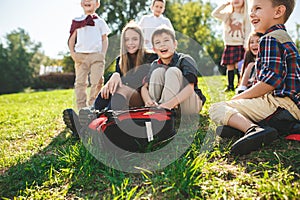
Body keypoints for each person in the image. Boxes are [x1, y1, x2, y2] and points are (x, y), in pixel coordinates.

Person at [209, 0, 300, 156]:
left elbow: (269, 83)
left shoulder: (269, 38)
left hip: (280, 106)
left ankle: (253, 129)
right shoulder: (284, 37)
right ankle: (242, 127)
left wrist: (238, 97)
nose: (251, 13)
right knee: (236, 111)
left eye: (257, 8)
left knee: (217, 108)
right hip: (290, 106)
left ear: (278, 12)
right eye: (251, 9)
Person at [63, 21, 157, 136]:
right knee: (109, 87)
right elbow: (115, 81)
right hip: (124, 97)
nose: (130, 43)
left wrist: (116, 76)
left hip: (143, 98)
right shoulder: (121, 60)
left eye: (134, 39)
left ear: (141, 40)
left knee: (118, 87)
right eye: (127, 40)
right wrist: (114, 76)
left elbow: (142, 82)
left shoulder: (151, 57)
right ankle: (89, 119)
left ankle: (97, 117)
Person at [141, 25, 206, 115]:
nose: (162, 44)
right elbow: (144, 87)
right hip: (165, 105)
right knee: (158, 72)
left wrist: (168, 105)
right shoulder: (155, 64)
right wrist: (148, 101)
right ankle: (155, 110)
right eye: (158, 42)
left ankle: (165, 112)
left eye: (166, 40)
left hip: (188, 103)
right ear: (154, 49)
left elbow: (190, 88)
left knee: (172, 71)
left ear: (175, 44)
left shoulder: (185, 59)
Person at [68, 0, 111, 110]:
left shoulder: (100, 22)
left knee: (97, 81)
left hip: (96, 55)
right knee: (80, 82)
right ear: (81, 3)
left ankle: (94, 106)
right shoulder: (77, 21)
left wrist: (102, 54)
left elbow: (104, 39)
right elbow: (72, 39)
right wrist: (72, 53)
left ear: (97, 4)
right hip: (80, 56)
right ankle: (82, 108)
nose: (87, 1)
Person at [212, 0, 251, 91]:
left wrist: (246, 43)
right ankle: (230, 86)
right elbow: (214, 14)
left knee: (239, 65)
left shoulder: (245, 16)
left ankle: (240, 85)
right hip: (229, 44)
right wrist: (224, 5)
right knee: (230, 66)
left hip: (240, 44)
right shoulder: (227, 15)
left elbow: (248, 30)